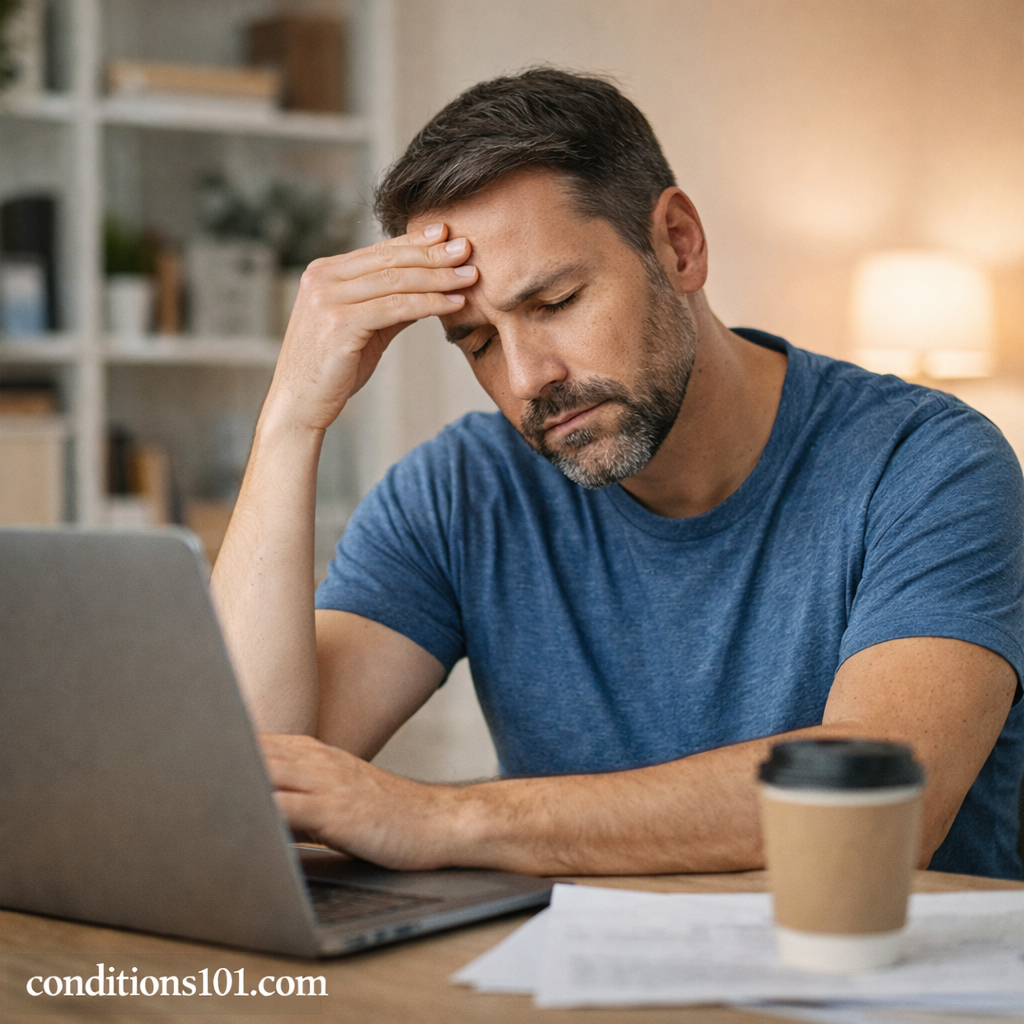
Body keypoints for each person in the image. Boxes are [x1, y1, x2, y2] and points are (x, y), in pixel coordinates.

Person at [211, 68, 1024, 880]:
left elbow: (881, 802)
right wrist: (290, 421)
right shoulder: (459, 491)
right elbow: (251, 789)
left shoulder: (928, 465)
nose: (527, 377)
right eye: (478, 343)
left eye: (556, 301)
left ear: (678, 244)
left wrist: (444, 816)